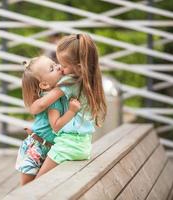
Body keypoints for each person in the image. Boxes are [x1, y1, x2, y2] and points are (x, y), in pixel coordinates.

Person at [29, 34, 107, 178]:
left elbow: (40, 106)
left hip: (68, 144)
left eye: (64, 66)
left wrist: (32, 106)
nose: (61, 69)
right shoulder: (90, 80)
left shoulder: (70, 82)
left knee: (38, 182)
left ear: (78, 67)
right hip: (83, 144)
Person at [15, 56, 81, 185]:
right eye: (52, 68)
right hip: (37, 148)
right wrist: (72, 111)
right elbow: (55, 125)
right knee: (28, 187)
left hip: (49, 147)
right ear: (44, 84)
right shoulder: (52, 100)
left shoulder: (58, 96)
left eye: (55, 63)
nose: (58, 66)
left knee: (39, 186)